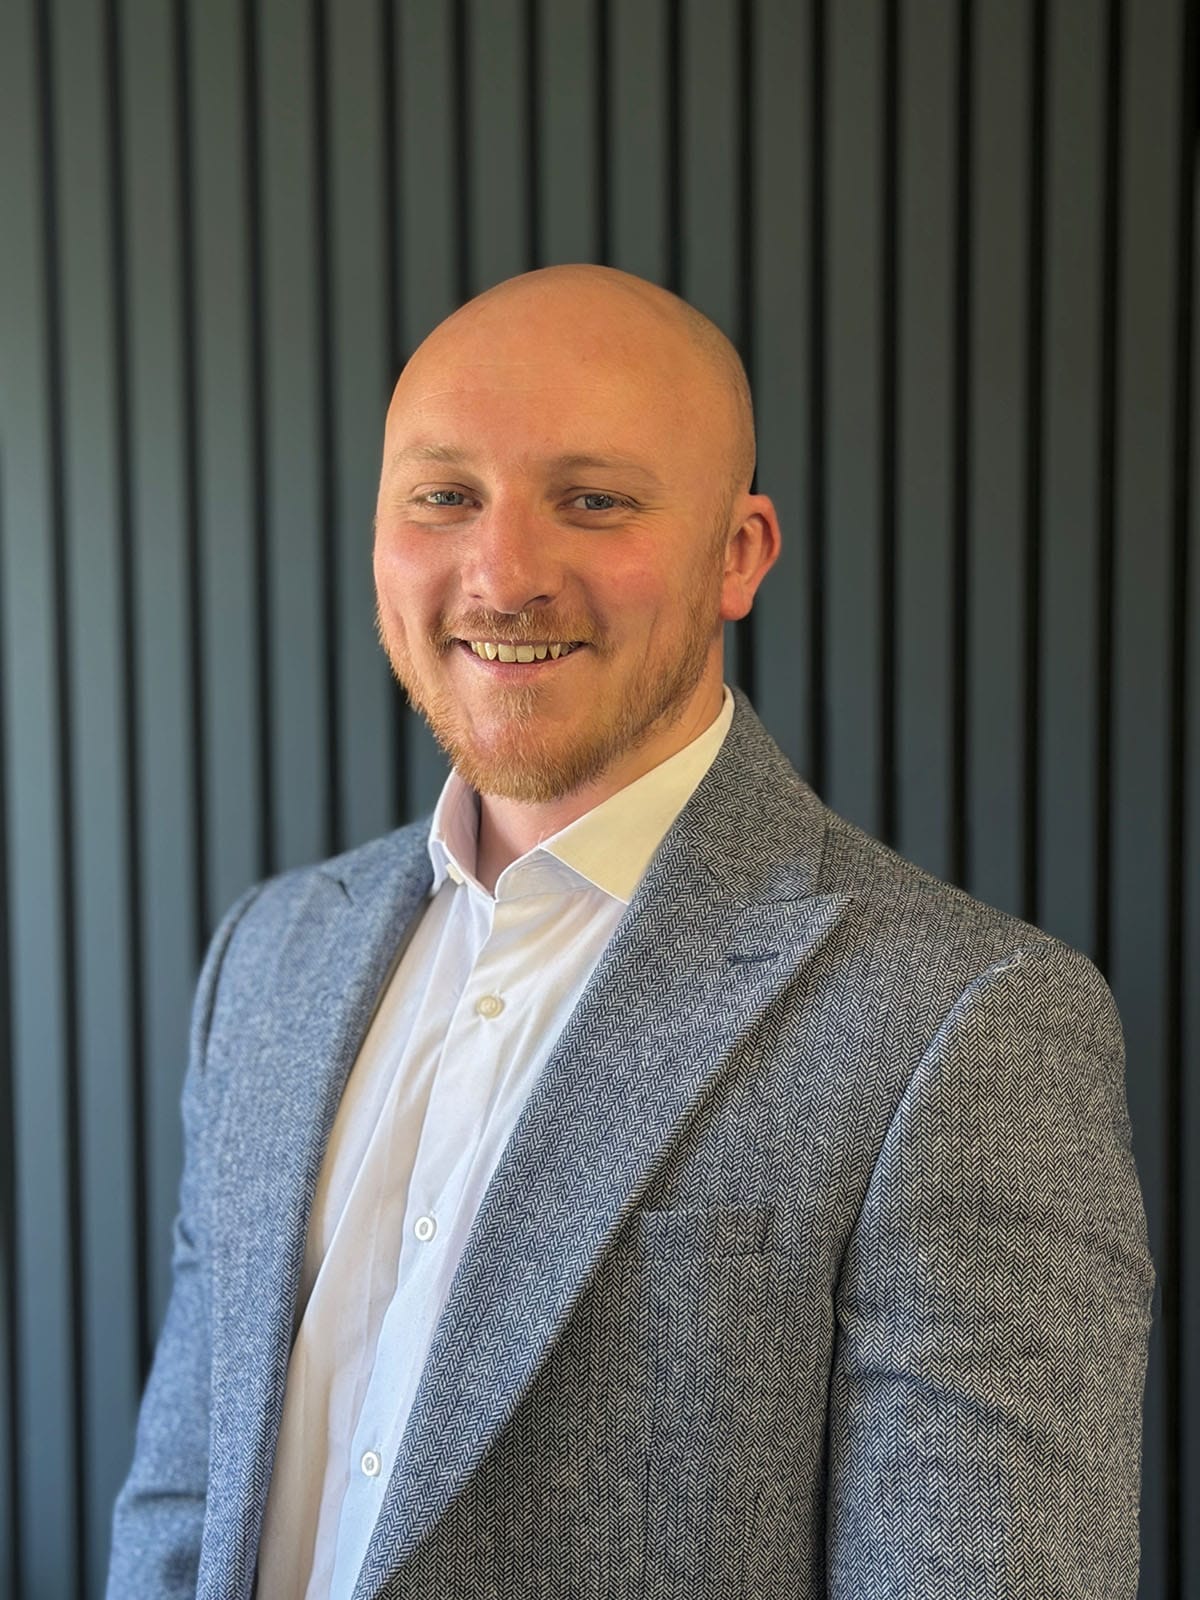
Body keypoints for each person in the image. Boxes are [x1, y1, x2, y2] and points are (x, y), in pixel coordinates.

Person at [107, 264, 1155, 1599]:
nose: (504, 573)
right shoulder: (269, 958)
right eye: (444, 498)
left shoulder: (967, 1024)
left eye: (593, 502)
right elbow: (183, 1512)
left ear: (739, 554)